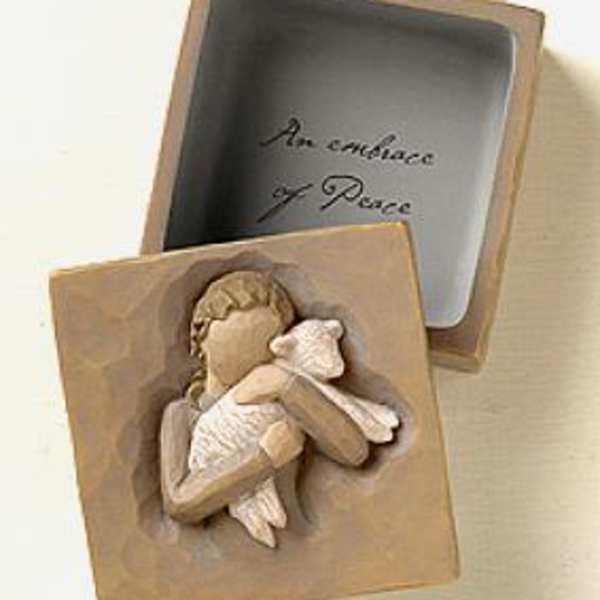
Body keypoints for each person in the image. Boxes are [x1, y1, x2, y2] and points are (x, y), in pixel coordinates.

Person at [160, 271, 368, 524]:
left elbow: (353, 450)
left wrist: (287, 385)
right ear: (200, 338)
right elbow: (179, 502)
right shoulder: (182, 413)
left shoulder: (280, 397)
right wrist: (262, 458)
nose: (245, 355)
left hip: (295, 533)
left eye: (260, 343)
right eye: (235, 340)